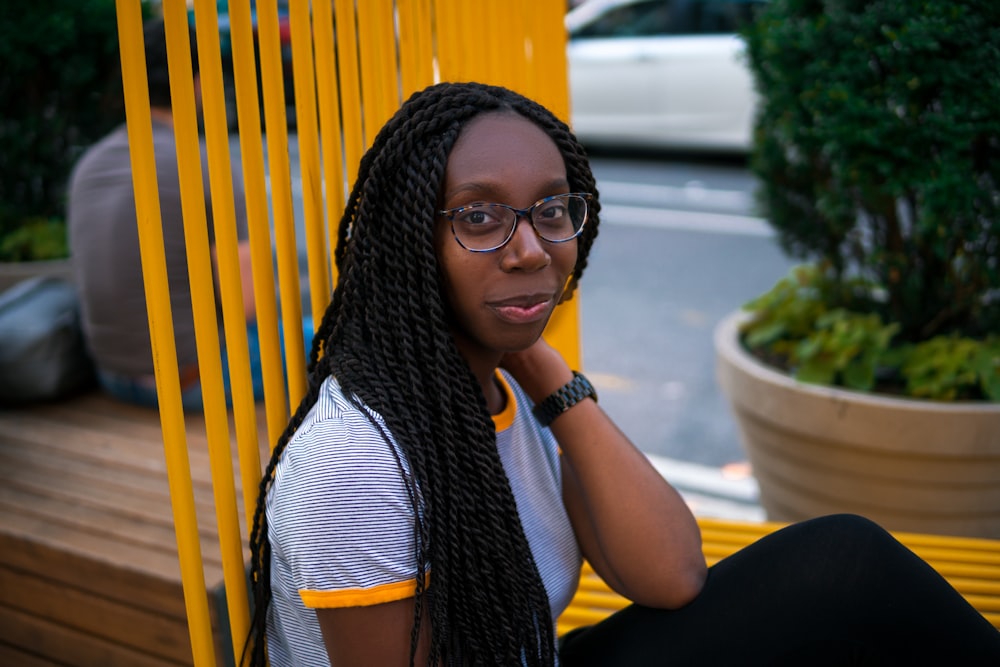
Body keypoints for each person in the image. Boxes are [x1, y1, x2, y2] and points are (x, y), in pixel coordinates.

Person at [243, 81, 1000, 666]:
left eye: (549, 209)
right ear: (409, 242)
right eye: (479, 216)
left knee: (846, 562)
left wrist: (551, 378)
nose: (532, 248)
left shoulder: (494, 390)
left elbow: (670, 574)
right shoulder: (356, 461)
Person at [68, 17, 262, 411]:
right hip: (192, 380)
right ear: (197, 83)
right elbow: (247, 304)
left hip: (110, 373)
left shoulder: (90, 163)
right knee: (326, 337)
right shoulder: (203, 165)